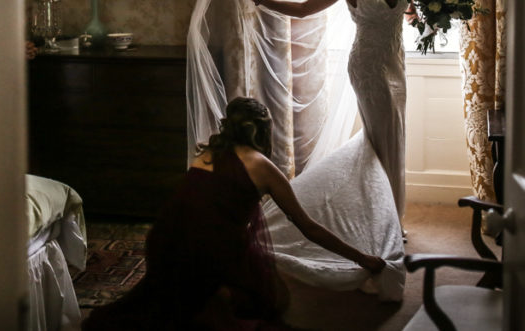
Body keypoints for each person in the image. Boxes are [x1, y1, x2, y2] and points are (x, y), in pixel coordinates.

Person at [83, 97, 384, 331]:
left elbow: (193, 208)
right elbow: (308, 227)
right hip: (206, 253)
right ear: (264, 130)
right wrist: (362, 258)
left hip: (163, 245)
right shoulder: (261, 165)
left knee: (168, 305)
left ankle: (209, 296)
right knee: (273, 300)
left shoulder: (206, 154)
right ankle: (215, 295)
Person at [236, 0, 415, 225]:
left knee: (394, 135)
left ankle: (389, 214)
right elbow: (305, 8)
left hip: (396, 64)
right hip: (367, 67)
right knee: (381, 136)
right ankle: (382, 219)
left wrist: (435, 15)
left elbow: (410, 14)